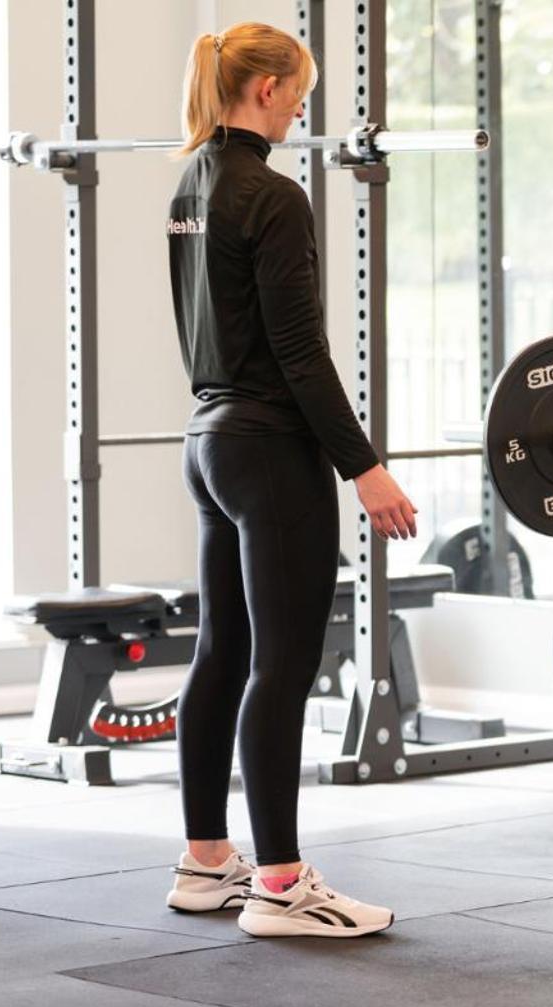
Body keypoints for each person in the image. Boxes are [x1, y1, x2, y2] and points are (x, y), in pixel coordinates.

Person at [163, 24, 417, 937]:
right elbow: (301, 351)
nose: (304, 106)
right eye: (299, 90)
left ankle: (205, 863)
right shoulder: (270, 193)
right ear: (265, 88)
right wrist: (366, 467)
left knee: (222, 654)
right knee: (280, 663)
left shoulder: (191, 184)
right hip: (269, 448)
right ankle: (278, 884)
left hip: (209, 442)